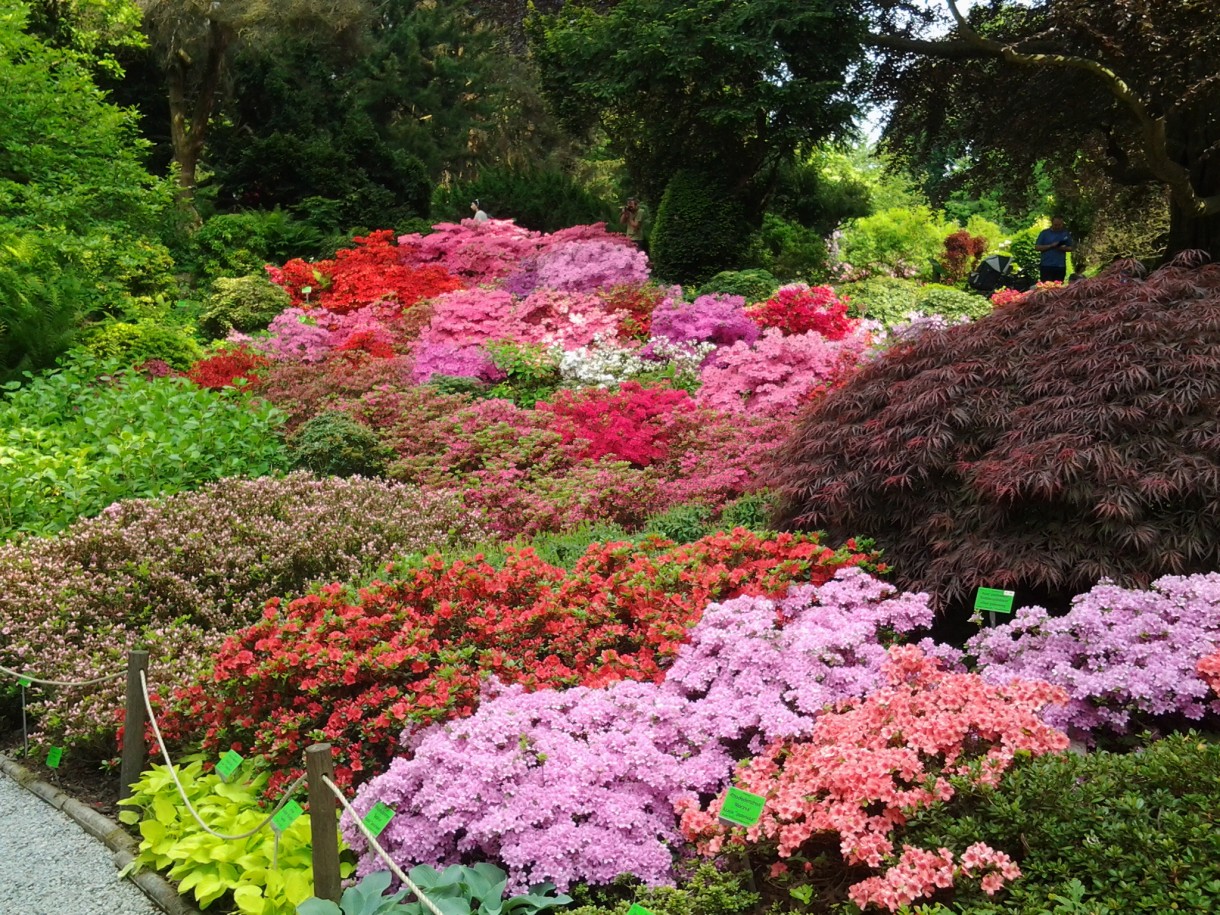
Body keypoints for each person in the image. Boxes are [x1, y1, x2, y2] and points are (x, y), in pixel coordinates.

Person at [1034, 216, 1074, 283]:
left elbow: (1071, 248)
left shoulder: (1065, 234)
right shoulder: (1044, 233)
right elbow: (1037, 247)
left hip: (1060, 265)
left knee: (1058, 287)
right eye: (1055, 225)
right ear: (1052, 223)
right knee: (1046, 287)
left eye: (1060, 225)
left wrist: (1061, 248)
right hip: (1046, 265)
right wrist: (1051, 246)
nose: (1058, 226)